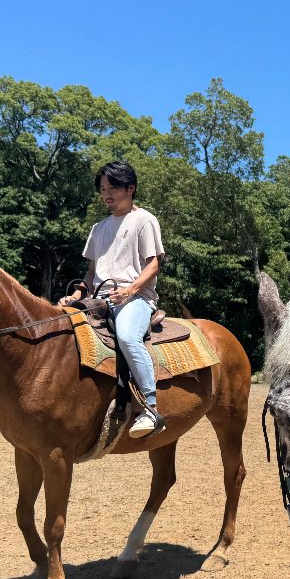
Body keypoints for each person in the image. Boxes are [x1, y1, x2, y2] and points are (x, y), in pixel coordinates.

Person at [62, 161, 167, 439]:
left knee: (127, 337)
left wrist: (130, 291)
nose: (106, 194)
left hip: (134, 298)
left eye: (113, 188)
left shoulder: (144, 220)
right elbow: (92, 272)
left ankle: (150, 408)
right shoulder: (98, 228)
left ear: (130, 188)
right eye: (103, 189)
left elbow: (153, 265)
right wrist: (75, 294)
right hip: (98, 298)